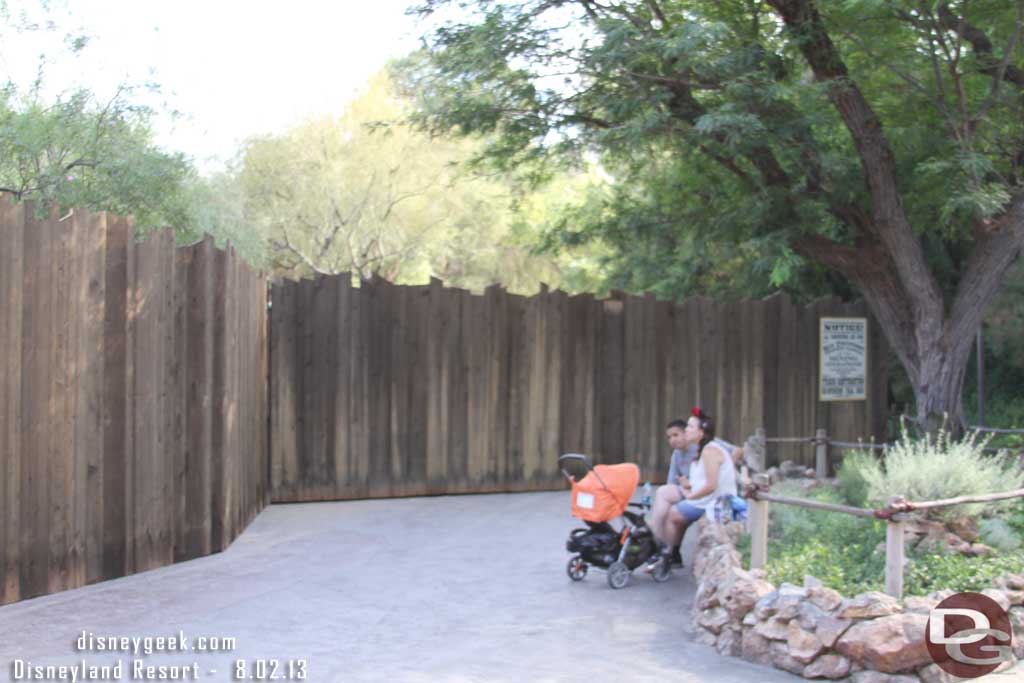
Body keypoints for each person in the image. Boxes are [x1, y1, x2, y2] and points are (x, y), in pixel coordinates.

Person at [647, 408, 738, 569]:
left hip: (716, 501)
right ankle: (663, 547)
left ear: (701, 432)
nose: (686, 430)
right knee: (669, 503)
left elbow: (711, 485)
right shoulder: (700, 450)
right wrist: (687, 487)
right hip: (705, 497)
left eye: (689, 427)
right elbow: (697, 482)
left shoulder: (710, 450)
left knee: (673, 513)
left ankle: (665, 551)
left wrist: (690, 496)